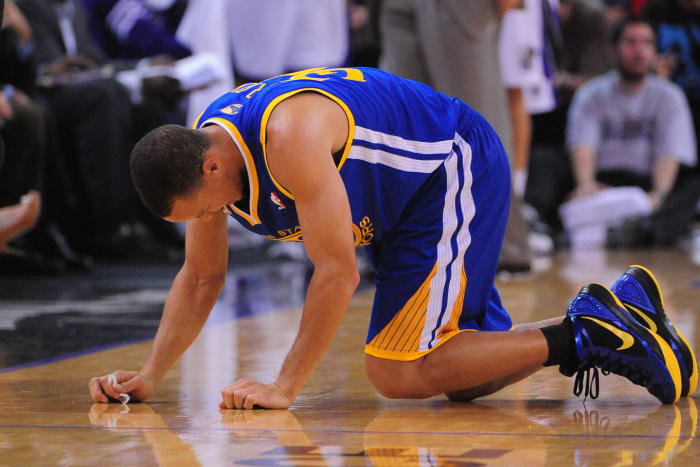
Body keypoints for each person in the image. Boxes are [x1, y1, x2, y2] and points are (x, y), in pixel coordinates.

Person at [89, 67, 697, 408]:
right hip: (405, 209)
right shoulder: (210, 153)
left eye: (197, 214)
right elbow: (201, 278)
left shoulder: (287, 137)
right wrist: (150, 374)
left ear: (211, 169)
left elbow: (337, 272)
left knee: (396, 372)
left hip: (452, 166)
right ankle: (608, 321)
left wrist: (283, 386)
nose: (205, 223)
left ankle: (590, 329)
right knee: (462, 379)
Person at [566, 18, 699, 246]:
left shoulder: (670, 96)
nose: (639, 51)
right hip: (604, 182)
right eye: (631, 42)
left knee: (692, 186)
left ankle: (641, 229)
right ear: (613, 51)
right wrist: (586, 185)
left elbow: (669, 154)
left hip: (649, 184)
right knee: (548, 163)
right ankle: (647, 229)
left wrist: (657, 196)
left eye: (647, 43)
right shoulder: (591, 94)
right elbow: (582, 147)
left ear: (655, 52)